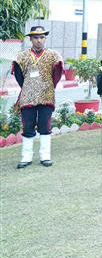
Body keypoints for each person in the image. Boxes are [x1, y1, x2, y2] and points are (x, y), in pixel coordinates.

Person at [13, 26, 63, 169]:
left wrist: (47, 86)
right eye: (36, 37)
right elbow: (18, 75)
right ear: (30, 39)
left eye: (42, 37)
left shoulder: (54, 55)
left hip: (46, 95)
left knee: (44, 125)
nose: (39, 40)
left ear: (45, 38)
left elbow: (57, 74)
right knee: (27, 125)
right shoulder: (21, 56)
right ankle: (26, 157)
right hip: (27, 96)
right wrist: (29, 87)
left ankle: (45, 156)